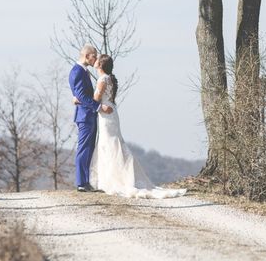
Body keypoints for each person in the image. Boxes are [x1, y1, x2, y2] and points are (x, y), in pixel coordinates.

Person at [78, 54, 186, 199]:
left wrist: (78, 98)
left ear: (100, 65)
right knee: (111, 143)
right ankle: (112, 177)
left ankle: (115, 179)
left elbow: (95, 99)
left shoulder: (102, 80)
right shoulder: (107, 78)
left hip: (106, 114)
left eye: (97, 60)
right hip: (109, 112)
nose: (95, 60)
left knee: (109, 143)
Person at [69, 44, 113, 192]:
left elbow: (80, 95)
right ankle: (81, 183)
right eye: (94, 55)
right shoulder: (78, 71)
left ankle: (86, 181)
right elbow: (81, 95)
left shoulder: (83, 71)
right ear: (87, 56)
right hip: (85, 116)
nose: (95, 58)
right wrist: (99, 107)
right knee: (84, 149)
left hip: (88, 115)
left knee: (89, 149)